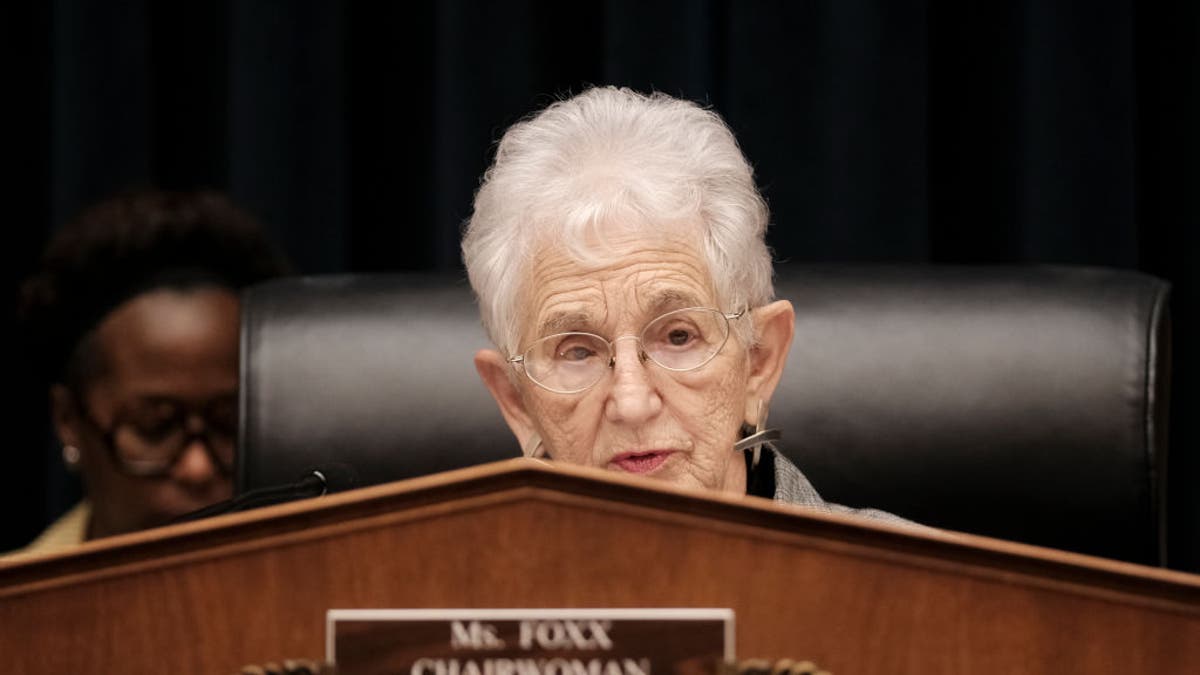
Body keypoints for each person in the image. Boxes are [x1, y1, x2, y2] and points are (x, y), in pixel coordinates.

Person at [462, 86, 906, 522]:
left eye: (678, 336)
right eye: (577, 351)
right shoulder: (438, 591)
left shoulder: (918, 590)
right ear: (515, 400)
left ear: (758, 361)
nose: (632, 404)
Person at [13, 188, 292, 554]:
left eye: (230, 425)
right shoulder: (15, 606)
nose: (198, 469)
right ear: (67, 420)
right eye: (155, 428)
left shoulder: (332, 596)